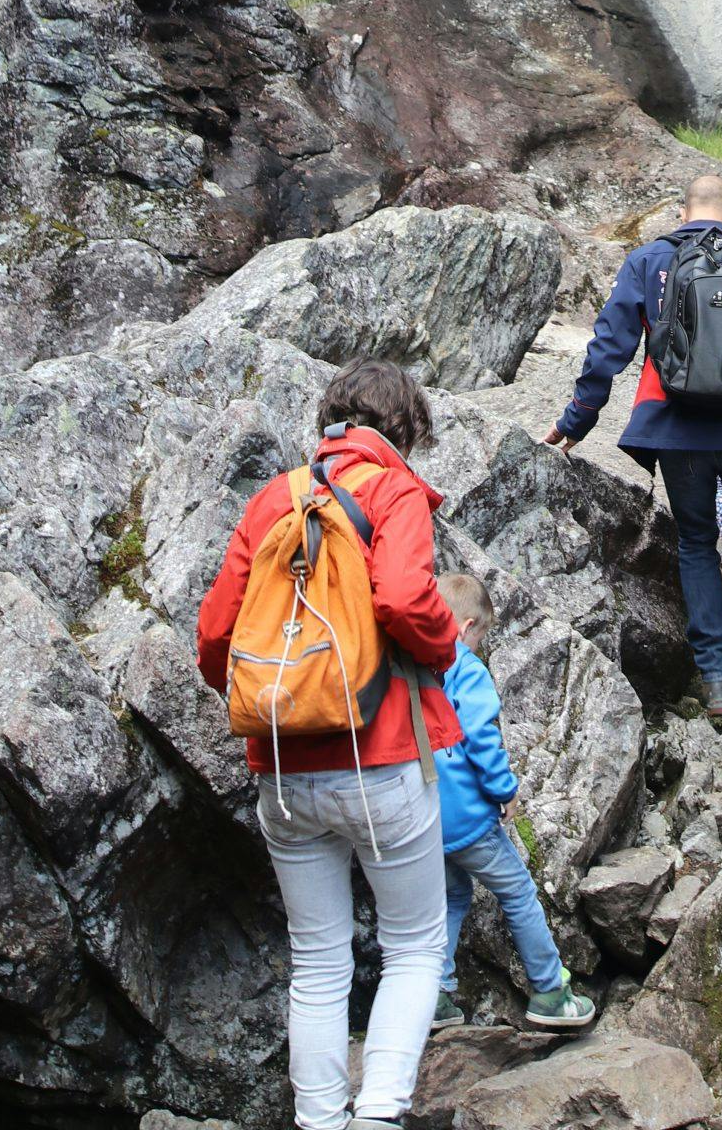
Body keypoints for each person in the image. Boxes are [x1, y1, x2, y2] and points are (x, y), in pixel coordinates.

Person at [197, 358, 462, 1130]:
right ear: (405, 429)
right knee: (413, 946)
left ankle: (319, 1121)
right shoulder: (394, 490)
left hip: (283, 770)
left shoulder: (272, 499)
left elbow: (216, 635)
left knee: (317, 960)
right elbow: (407, 600)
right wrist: (444, 651)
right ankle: (377, 1116)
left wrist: (276, 703)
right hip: (380, 761)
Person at [545, 168, 722, 772]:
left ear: (682, 213)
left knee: (697, 544)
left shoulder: (649, 261)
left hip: (675, 433)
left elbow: (608, 348)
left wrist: (575, 422)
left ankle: (718, 684)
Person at [430, 568, 596, 1035]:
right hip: (469, 818)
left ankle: (435, 997)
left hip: (421, 818)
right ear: (465, 628)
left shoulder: (415, 667)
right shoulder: (467, 670)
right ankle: (550, 991)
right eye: (480, 636)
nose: (480, 646)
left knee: (449, 898)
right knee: (518, 892)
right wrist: (505, 792)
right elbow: (481, 739)